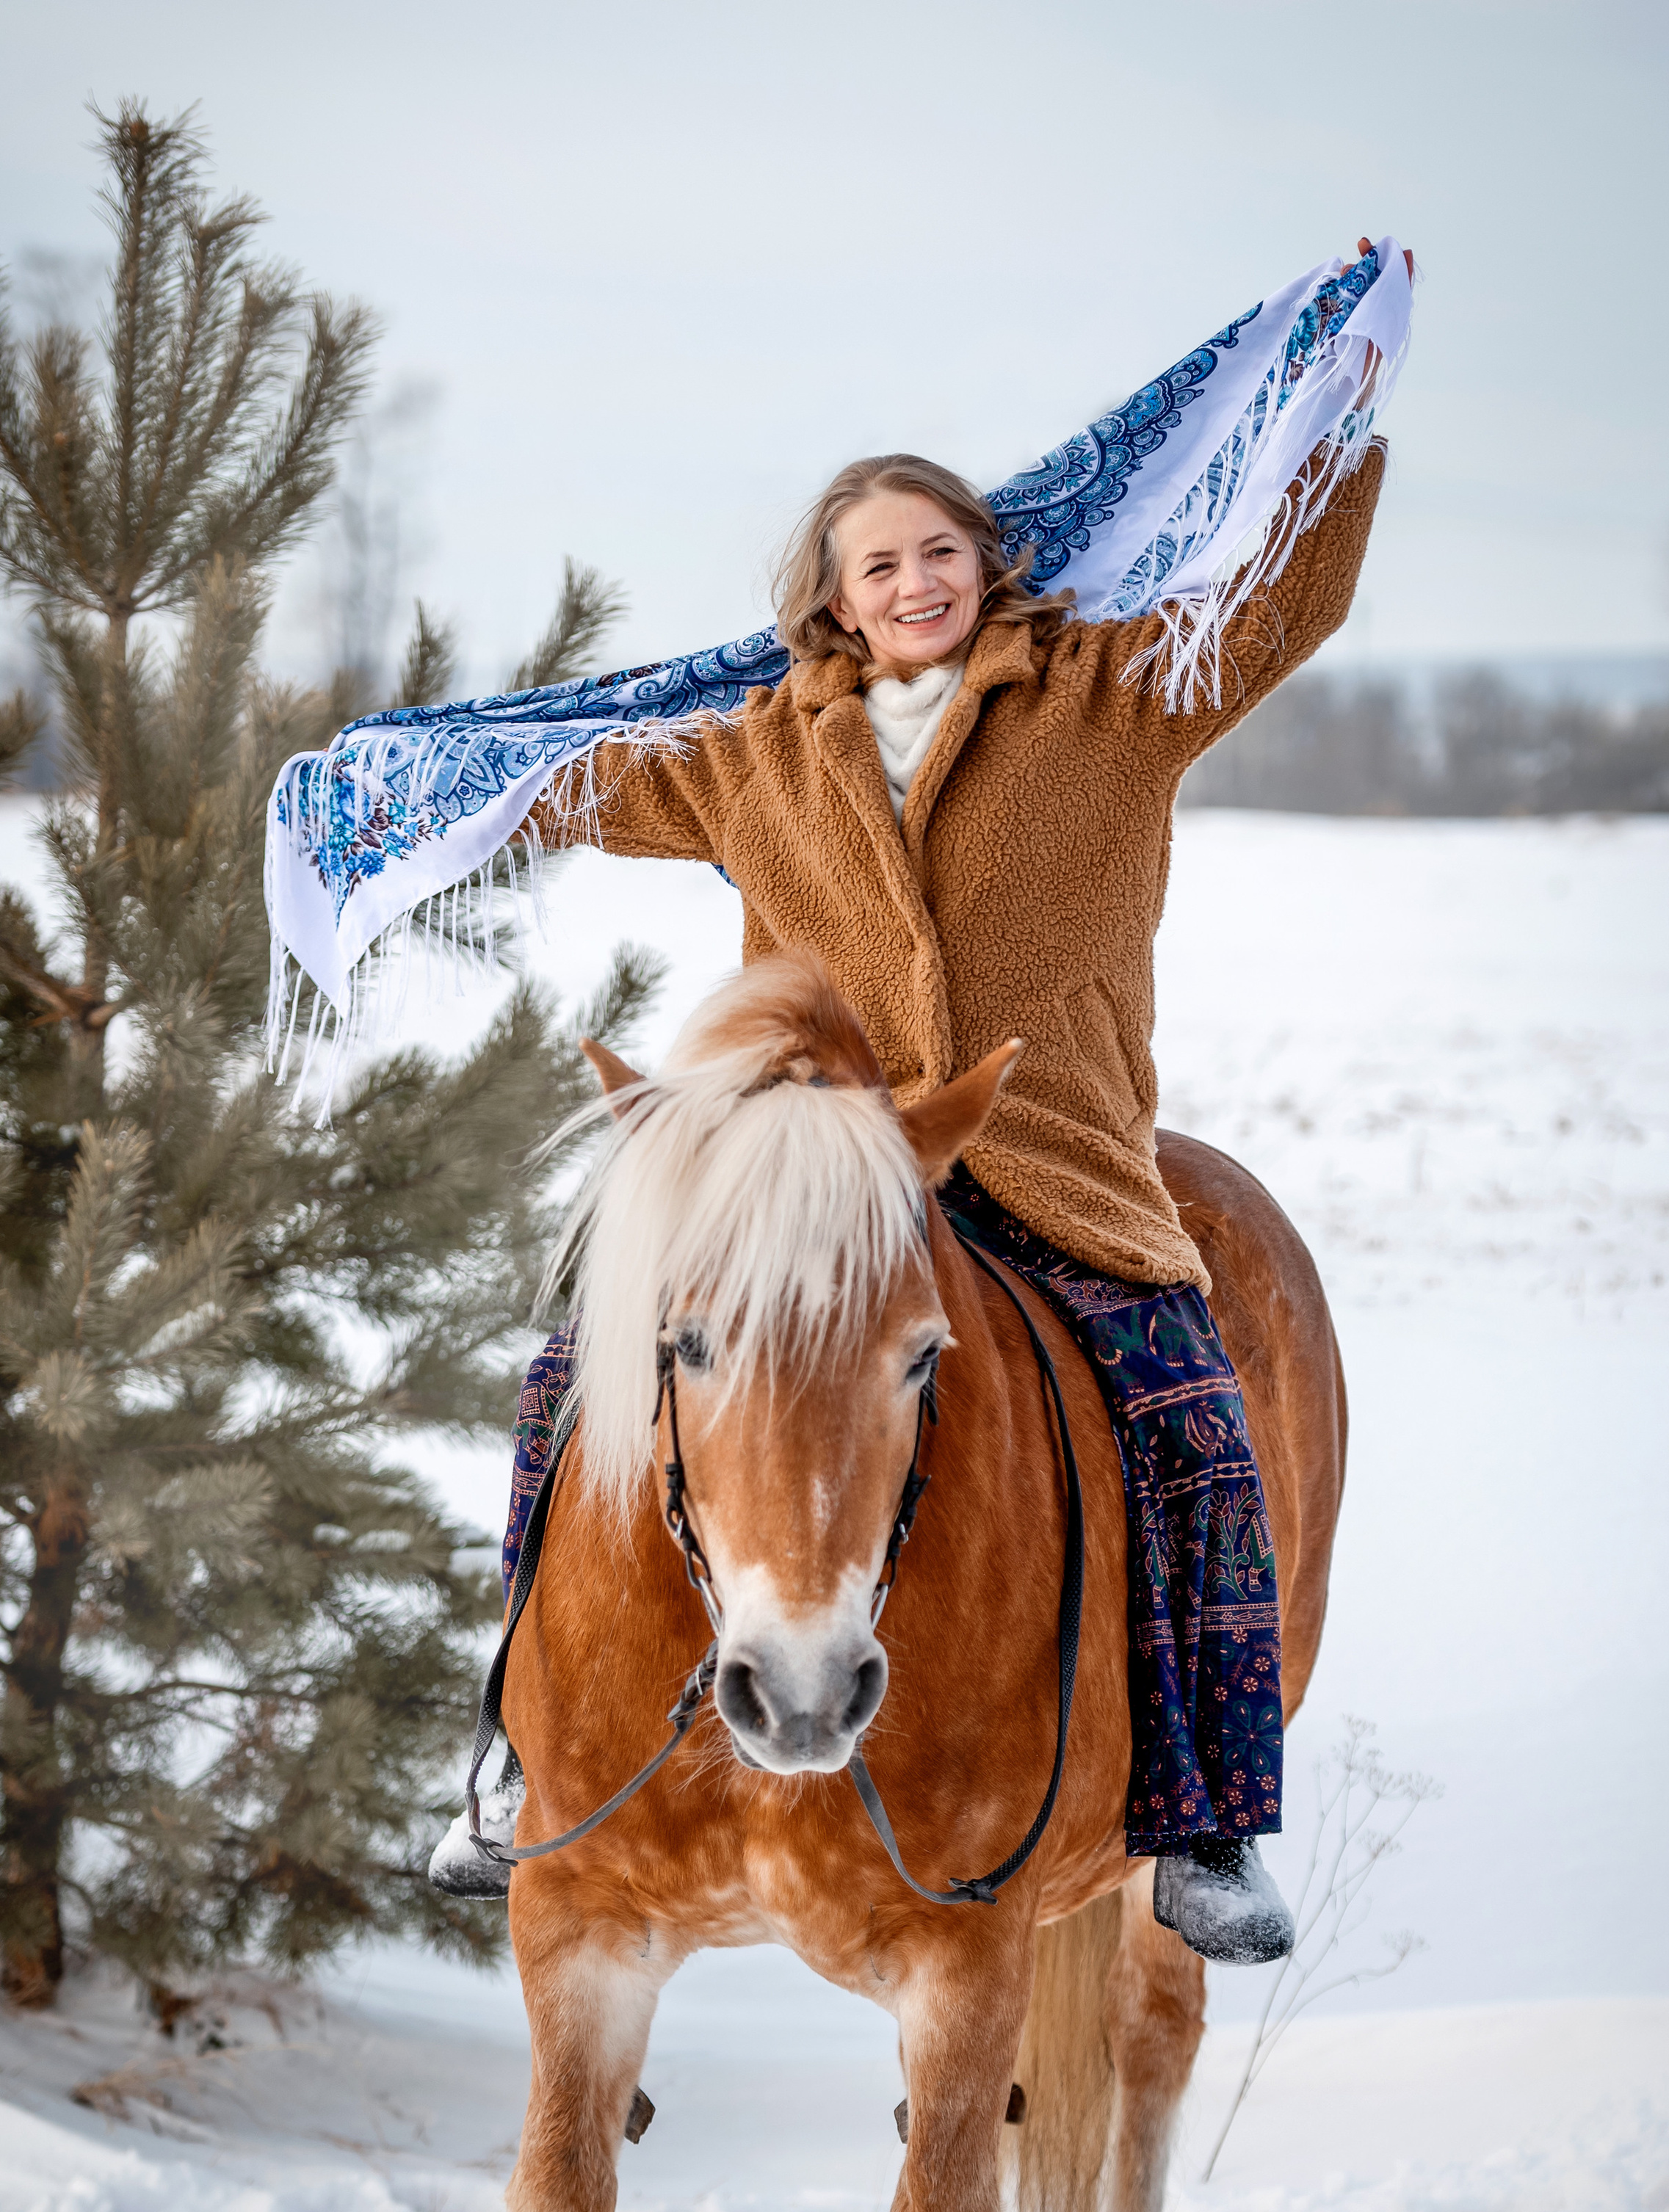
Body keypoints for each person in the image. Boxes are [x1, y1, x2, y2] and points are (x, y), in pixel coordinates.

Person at [429, 248, 1408, 1956]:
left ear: (984, 562)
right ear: (829, 593)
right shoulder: (747, 752)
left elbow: (1282, 612)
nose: (913, 581)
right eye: (877, 562)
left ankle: (1204, 1824)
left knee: (1191, 1435)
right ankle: (505, 1770)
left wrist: (1345, 421)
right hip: (806, 1183)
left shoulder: (1113, 697)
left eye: (939, 550)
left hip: (1057, 1173)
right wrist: (397, 794)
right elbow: (563, 777)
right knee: (565, 1395)